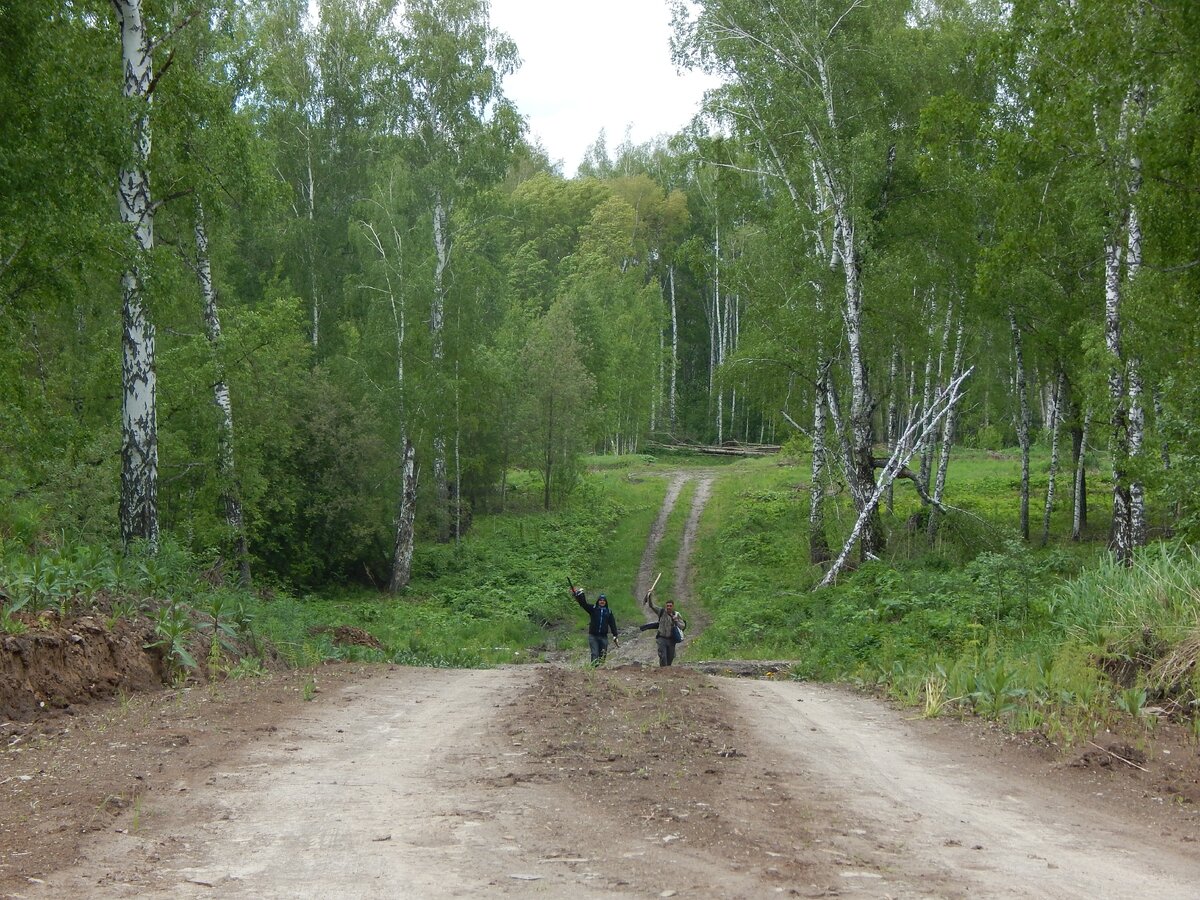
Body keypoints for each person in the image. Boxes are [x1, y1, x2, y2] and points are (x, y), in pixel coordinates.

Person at [570, 588, 619, 664]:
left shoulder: (608, 612)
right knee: (595, 654)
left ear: (606, 602)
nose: (602, 602)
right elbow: (584, 604)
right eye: (600, 600)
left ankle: (601, 671)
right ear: (598, 601)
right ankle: (594, 670)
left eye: (603, 600)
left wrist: (615, 635)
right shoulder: (593, 609)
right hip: (593, 636)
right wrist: (580, 595)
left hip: (603, 637)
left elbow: (612, 623)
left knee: (603, 655)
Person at [641, 591, 686, 667]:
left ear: (673, 606)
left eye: (670, 606)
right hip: (661, 638)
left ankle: (667, 672)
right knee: (663, 656)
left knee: (670, 658)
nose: (668, 607)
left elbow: (682, 626)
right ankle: (662, 671)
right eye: (667, 606)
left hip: (671, 640)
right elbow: (652, 606)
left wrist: (676, 621)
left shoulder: (677, 615)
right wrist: (649, 596)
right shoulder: (661, 611)